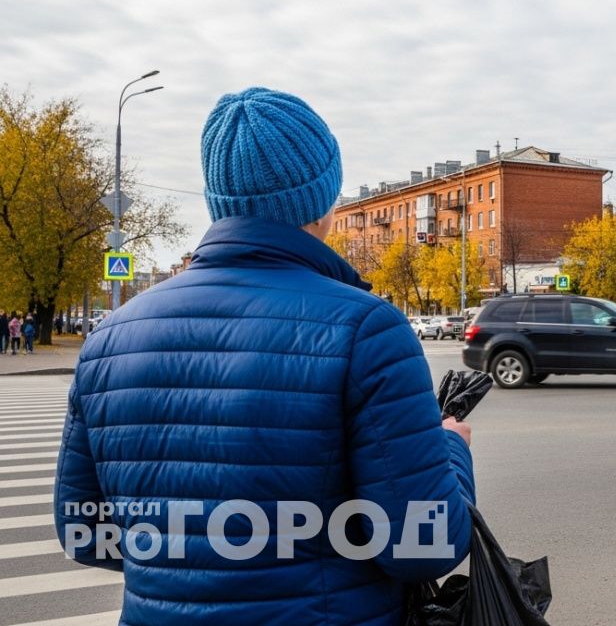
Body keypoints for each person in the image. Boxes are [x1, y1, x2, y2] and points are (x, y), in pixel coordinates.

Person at [55, 87, 477, 625]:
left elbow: (85, 532)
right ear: (323, 203)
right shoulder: (366, 328)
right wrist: (452, 450)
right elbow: (424, 545)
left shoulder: (108, 338)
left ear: (218, 198)